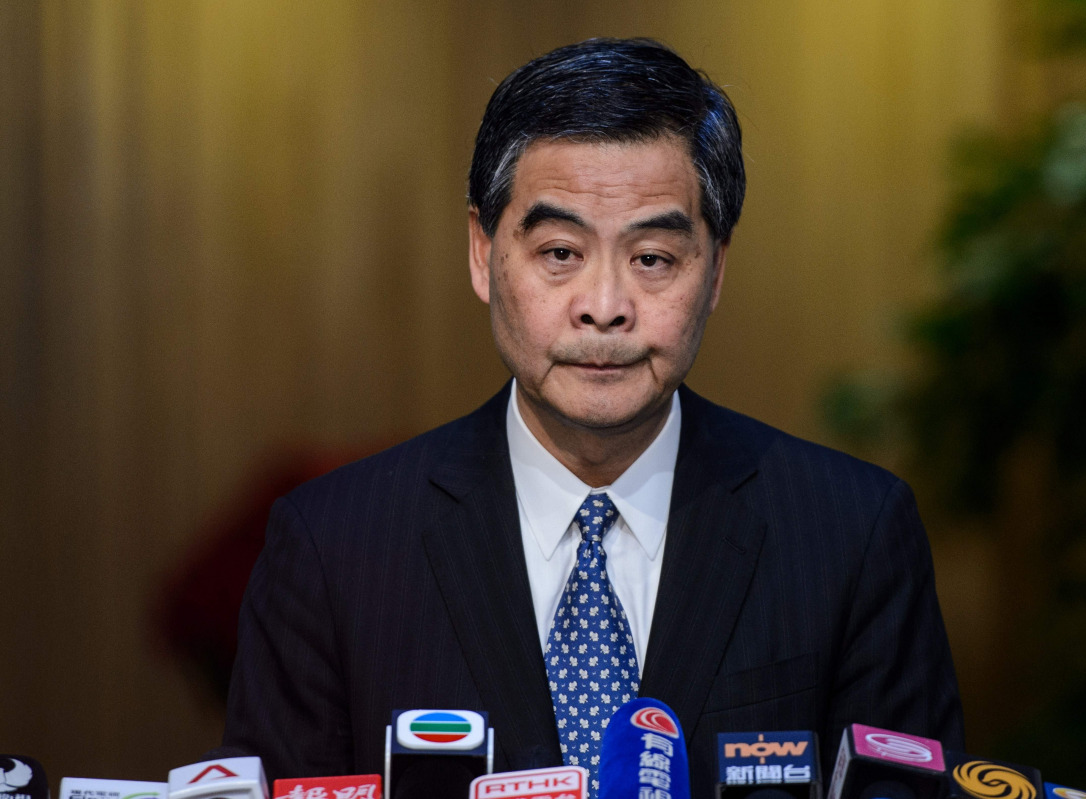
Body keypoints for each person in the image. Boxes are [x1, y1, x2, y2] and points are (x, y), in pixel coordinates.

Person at [220, 37, 964, 792]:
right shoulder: (333, 550)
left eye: (652, 259)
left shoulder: (851, 535)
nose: (604, 308)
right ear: (483, 252)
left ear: (715, 271)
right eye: (560, 252)